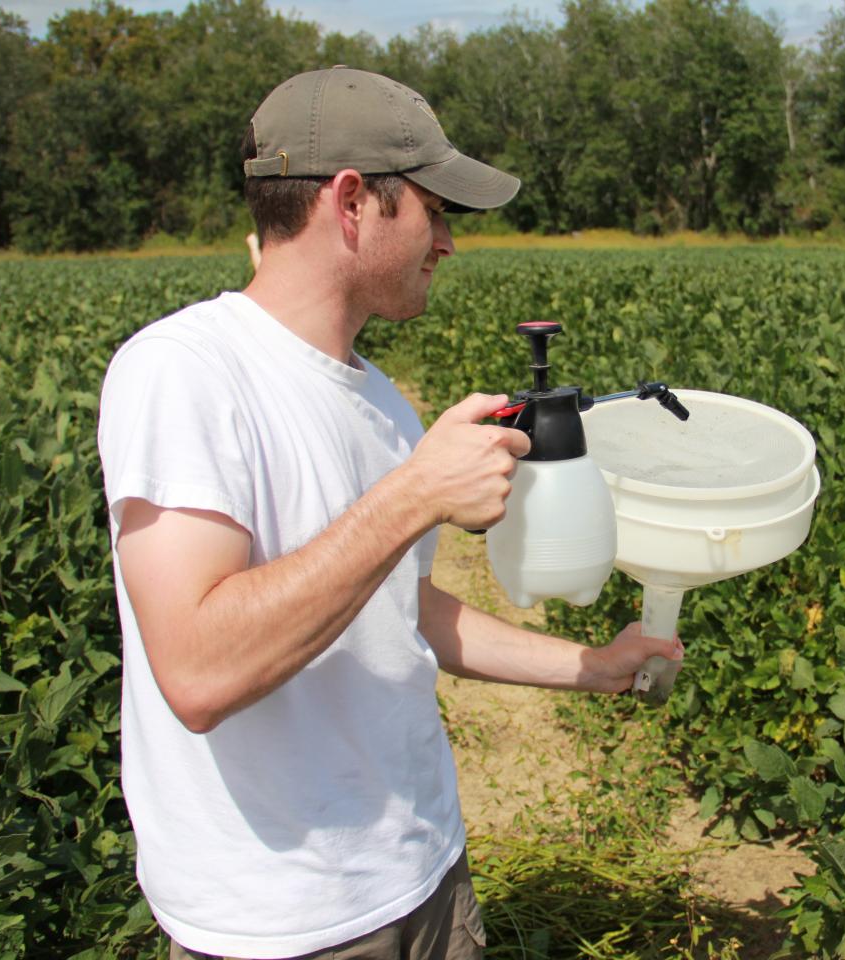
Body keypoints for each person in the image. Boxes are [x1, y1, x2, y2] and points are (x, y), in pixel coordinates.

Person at [96, 67, 682, 960]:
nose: (447, 242)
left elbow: (396, 610)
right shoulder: (183, 372)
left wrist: (587, 666)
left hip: (426, 875)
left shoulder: (381, 403)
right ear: (351, 202)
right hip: (285, 923)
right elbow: (199, 673)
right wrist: (413, 496)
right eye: (432, 210)